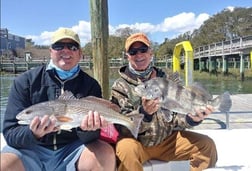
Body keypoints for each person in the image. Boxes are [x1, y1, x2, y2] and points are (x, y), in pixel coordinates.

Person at [1, 28, 116, 171]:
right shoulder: (24, 81)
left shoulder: (91, 85)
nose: (66, 51)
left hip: (74, 149)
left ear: (80, 54)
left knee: (105, 154)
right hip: (31, 149)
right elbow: (11, 132)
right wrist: (34, 133)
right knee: (3, 163)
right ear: (50, 51)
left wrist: (88, 130)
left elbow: (92, 137)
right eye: (58, 46)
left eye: (72, 47)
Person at [110, 33, 218, 171]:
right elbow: (122, 126)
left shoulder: (167, 78)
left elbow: (177, 117)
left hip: (167, 141)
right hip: (137, 143)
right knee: (126, 149)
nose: (139, 55)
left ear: (150, 53)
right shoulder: (120, 86)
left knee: (206, 145)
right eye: (133, 52)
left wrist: (191, 119)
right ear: (127, 56)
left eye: (143, 50)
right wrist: (144, 114)